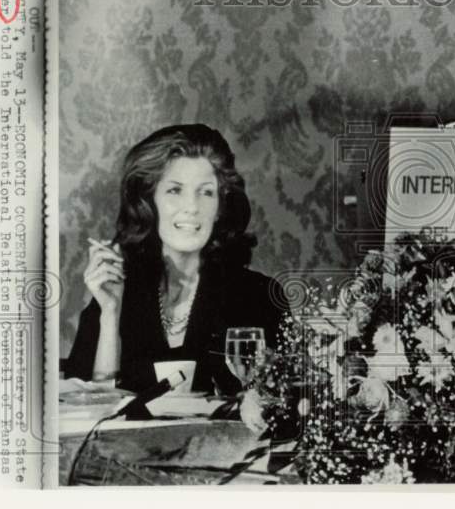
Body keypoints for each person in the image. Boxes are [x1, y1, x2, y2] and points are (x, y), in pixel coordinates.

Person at [64, 124, 289, 395]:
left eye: (206, 192)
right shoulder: (118, 291)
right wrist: (110, 313)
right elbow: (87, 404)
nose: (192, 207)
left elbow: (279, 405)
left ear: (220, 207)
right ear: (150, 202)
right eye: (175, 190)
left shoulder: (258, 296)